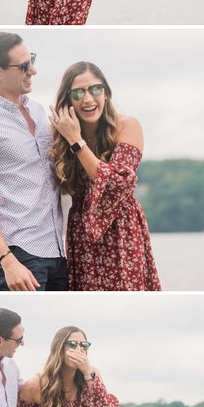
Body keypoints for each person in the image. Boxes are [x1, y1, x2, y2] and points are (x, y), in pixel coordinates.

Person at [0, 32, 66, 291]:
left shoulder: (40, 113)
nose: (33, 71)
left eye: (32, 60)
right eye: (24, 66)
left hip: (57, 251)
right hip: (17, 253)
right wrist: (8, 261)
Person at [48, 62, 161, 291]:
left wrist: (76, 142)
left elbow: (116, 184)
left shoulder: (127, 126)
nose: (88, 99)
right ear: (68, 100)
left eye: (95, 89)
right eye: (78, 93)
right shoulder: (60, 136)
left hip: (121, 228)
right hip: (82, 234)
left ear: (106, 93)